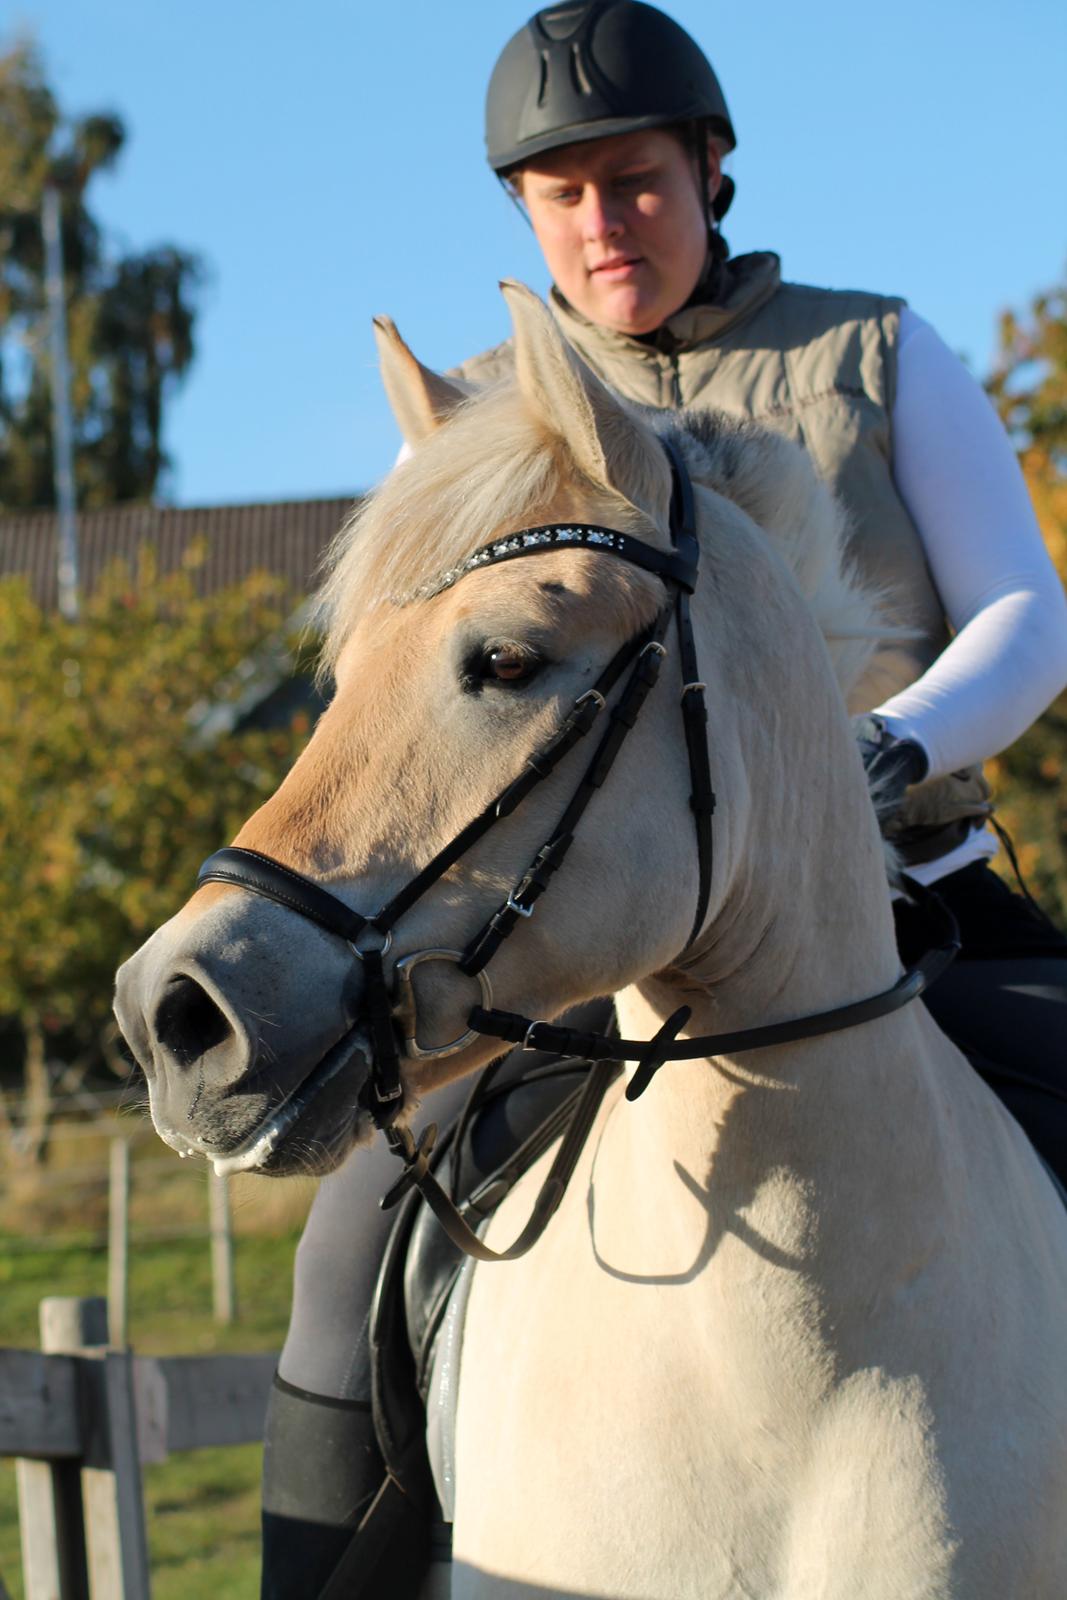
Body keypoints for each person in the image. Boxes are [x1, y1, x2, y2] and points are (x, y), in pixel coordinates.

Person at [260, 4, 1067, 1596]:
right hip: (588, 945)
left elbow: (1030, 619)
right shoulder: (493, 413)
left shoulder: (876, 351)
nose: (601, 224)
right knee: (353, 1228)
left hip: (909, 898)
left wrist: (883, 749)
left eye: (633, 181)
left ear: (710, 171)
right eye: (560, 197)